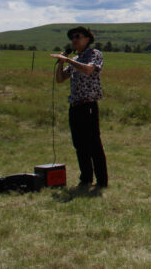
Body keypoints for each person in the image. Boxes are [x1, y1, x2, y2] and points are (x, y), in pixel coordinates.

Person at [51, 26, 108, 188]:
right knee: (79, 144)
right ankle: (86, 178)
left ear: (87, 39)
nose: (74, 40)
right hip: (75, 106)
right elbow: (60, 79)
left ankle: (102, 180)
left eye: (77, 36)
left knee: (93, 143)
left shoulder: (95, 54)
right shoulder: (76, 58)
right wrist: (61, 63)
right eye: (72, 38)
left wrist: (69, 61)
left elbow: (89, 70)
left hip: (88, 105)